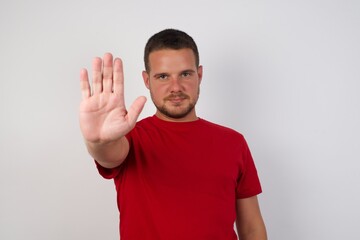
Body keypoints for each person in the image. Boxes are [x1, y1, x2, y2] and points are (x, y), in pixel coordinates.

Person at [79, 29, 267, 240]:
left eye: (185, 74)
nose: (175, 87)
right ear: (147, 80)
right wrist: (98, 141)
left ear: (200, 75)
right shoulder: (131, 139)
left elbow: (251, 227)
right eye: (163, 76)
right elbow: (109, 153)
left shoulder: (234, 143)